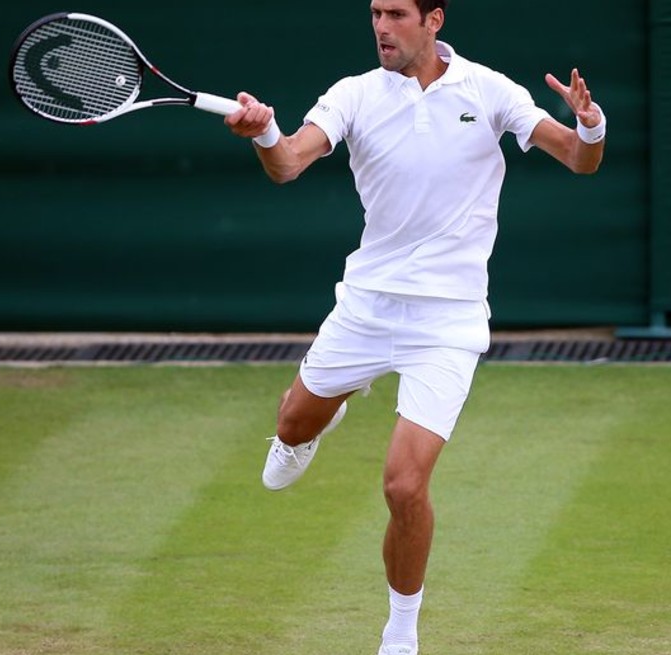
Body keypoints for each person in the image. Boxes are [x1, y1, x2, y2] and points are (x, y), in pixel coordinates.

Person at [224, 1, 605, 653]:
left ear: (434, 20)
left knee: (404, 484)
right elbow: (287, 163)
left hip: (448, 321)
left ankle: (400, 634)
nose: (381, 26)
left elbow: (578, 158)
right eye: (375, 13)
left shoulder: (489, 91)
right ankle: (308, 428)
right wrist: (264, 133)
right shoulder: (354, 94)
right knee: (292, 423)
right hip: (367, 307)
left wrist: (590, 124)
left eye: (397, 14)